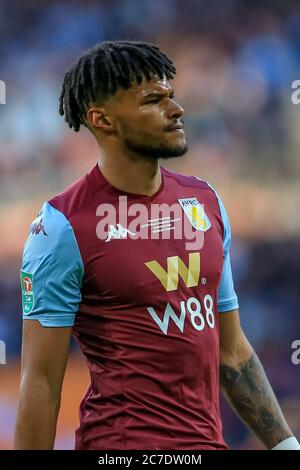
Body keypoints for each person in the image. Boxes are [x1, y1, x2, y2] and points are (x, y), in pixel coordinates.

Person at [14, 40, 299, 450]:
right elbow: (41, 381)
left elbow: (232, 352)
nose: (176, 109)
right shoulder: (62, 227)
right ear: (102, 119)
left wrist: (285, 446)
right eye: (153, 100)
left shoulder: (205, 202)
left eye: (171, 95)